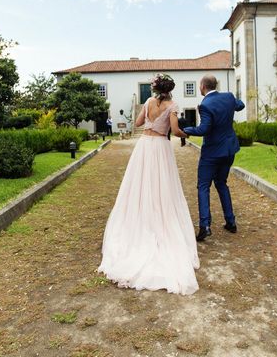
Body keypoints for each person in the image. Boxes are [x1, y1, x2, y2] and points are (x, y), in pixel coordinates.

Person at [98, 73, 199, 295]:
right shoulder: (173, 105)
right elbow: (174, 130)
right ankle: (159, 220)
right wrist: (188, 133)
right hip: (161, 149)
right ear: (170, 89)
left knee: (139, 184)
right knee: (162, 188)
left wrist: (149, 117)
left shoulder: (148, 102)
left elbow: (138, 123)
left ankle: (140, 222)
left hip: (144, 145)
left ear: (155, 89)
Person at [182, 75, 245, 242]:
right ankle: (231, 222)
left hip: (212, 153)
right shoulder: (229, 97)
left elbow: (204, 129)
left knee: (203, 186)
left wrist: (186, 130)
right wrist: (230, 107)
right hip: (229, 150)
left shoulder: (205, 105)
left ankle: (205, 226)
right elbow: (241, 105)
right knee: (221, 183)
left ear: (203, 86)